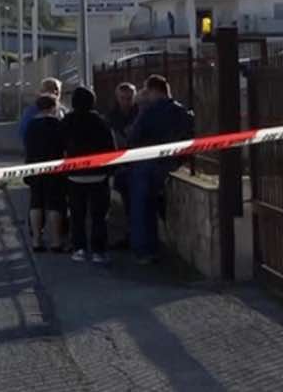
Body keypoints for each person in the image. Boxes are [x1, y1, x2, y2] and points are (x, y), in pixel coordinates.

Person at [127, 74, 195, 264]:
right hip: (172, 163)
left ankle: (145, 250)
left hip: (147, 162)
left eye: (147, 91)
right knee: (156, 205)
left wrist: (139, 107)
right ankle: (154, 247)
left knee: (142, 207)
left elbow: (133, 136)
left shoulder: (148, 111)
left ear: (153, 91)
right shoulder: (181, 111)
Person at [62, 86, 117, 264]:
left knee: (77, 214)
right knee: (98, 215)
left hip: (74, 175)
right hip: (98, 175)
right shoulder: (101, 122)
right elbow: (111, 148)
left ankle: (79, 248)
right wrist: (111, 171)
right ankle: (98, 251)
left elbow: (59, 144)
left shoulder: (68, 120)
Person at [23, 93, 67, 252]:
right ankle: (56, 241)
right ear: (53, 107)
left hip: (34, 167)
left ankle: (36, 240)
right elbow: (64, 146)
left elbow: (27, 146)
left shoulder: (31, 126)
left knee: (36, 203)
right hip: (54, 168)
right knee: (54, 204)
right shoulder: (57, 124)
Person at [106, 82, 140, 248]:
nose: (126, 101)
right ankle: (127, 234)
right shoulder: (112, 116)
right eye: (123, 98)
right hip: (120, 164)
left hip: (138, 162)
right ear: (117, 98)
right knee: (124, 203)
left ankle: (133, 235)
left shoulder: (139, 113)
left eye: (129, 98)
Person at [18, 78, 64, 147]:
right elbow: (25, 134)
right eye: (50, 88)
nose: (55, 92)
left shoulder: (62, 110)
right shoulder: (31, 112)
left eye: (57, 90)